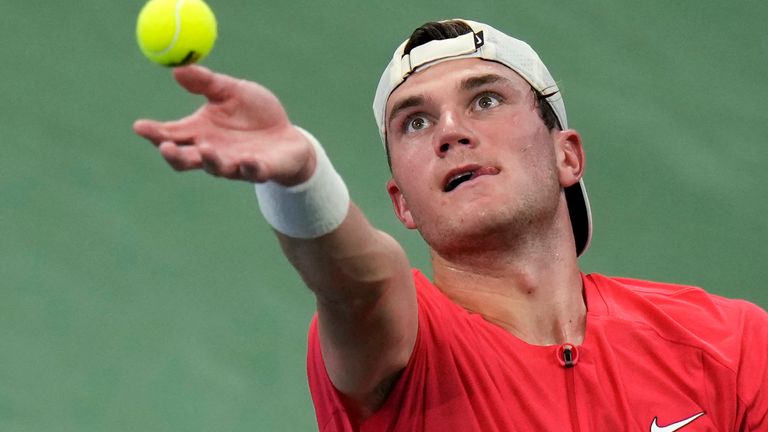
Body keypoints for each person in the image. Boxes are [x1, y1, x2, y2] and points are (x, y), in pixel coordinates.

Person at [134, 18, 767, 432]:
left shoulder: (730, 343)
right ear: (402, 204)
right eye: (415, 121)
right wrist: (300, 179)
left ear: (566, 154)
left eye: (485, 100)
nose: (451, 133)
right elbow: (360, 283)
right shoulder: (405, 345)